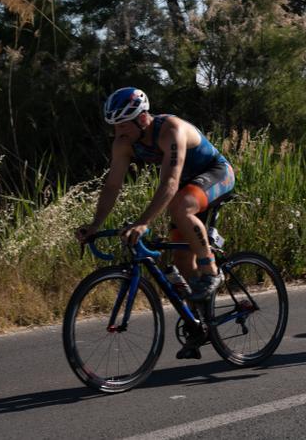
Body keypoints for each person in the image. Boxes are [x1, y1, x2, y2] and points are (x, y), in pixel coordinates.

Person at [75, 87, 236, 358]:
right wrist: (95, 225)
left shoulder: (170, 129)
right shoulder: (123, 142)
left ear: (141, 119)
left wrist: (142, 222)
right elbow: (113, 185)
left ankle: (211, 270)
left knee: (181, 206)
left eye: (123, 125)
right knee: (183, 262)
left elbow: (170, 183)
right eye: (114, 127)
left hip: (216, 173)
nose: (118, 133)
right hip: (187, 185)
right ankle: (201, 326)